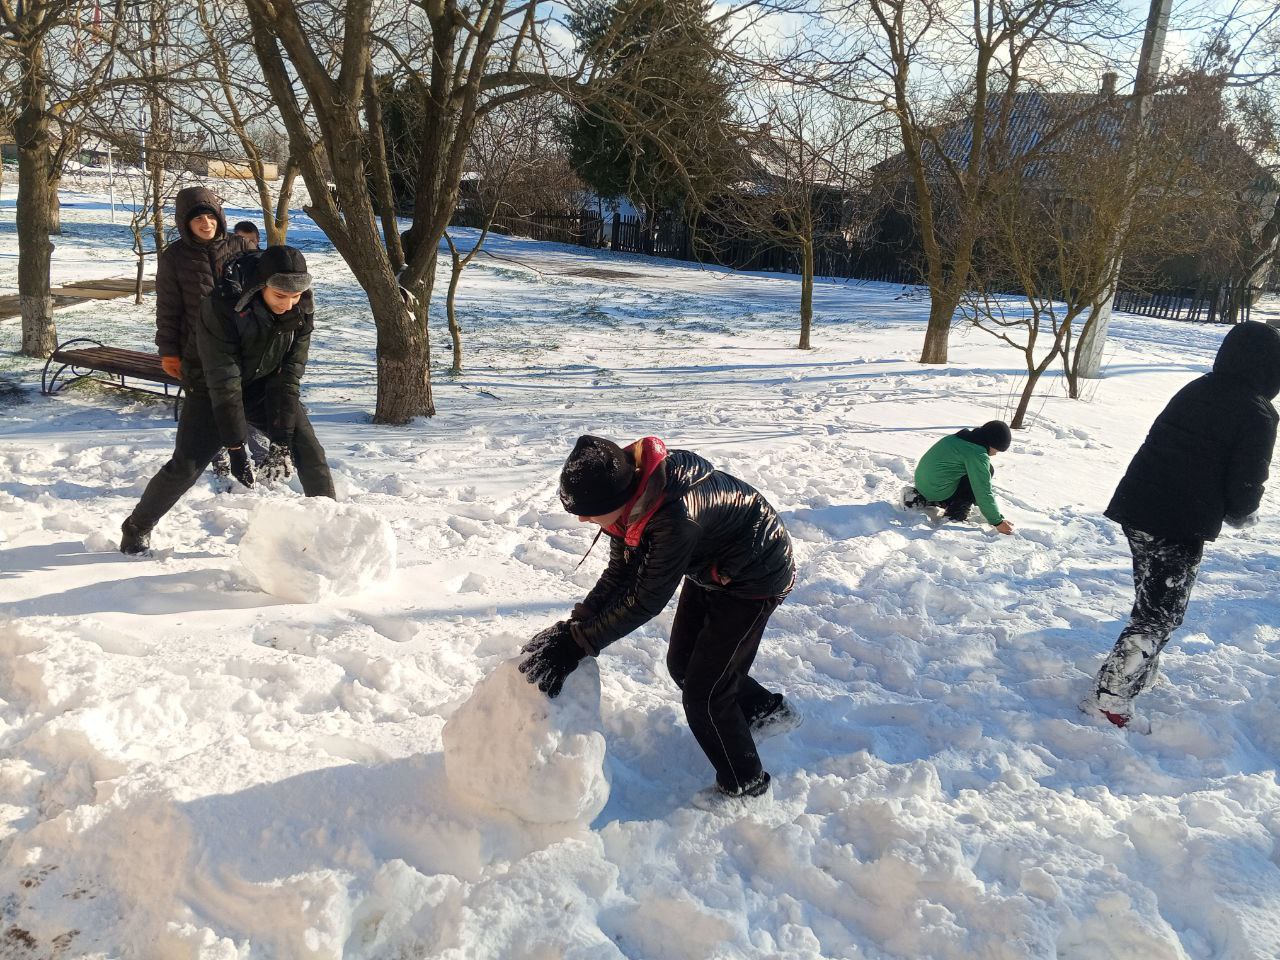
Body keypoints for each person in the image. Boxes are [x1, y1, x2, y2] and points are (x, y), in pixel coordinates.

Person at [518, 435, 798, 807]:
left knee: (705, 695)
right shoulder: (631, 496)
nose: (583, 519)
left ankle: (746, 784)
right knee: (682, 665)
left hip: (754, 578)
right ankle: (765, 711)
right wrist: (577, 624)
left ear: (612, 500)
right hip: (714, 568)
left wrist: (579, 643)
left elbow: (644, 600)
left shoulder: (674, 518)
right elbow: (621, 572)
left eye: (586, 511)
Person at [1083, 321, 1280, 729]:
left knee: (1151, 599)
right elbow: (1248, 477)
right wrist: (1243, 511)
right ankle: (1111, 696)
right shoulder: (1258, 411)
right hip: (1178, 520)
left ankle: (1139, 667)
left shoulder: (1197, 387)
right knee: (1162, 613)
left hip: (1137, 507)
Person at [120, 246, 336, 554]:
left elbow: (289, 375)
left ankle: (330, 532)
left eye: (295, 297)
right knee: (188, 465)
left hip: (265, 387)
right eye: (279, 296)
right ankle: (137, 526)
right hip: (211, 388)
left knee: (309, 449)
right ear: (261, 286)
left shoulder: (302, 310)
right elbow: (225, 381)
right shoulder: (221, 306)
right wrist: (236, 446)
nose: (288, 305)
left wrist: (282, 439)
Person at [156, 187, 254, 483]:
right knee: (208, 408)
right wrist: (168, 351)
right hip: (197, 348)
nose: (206, 223)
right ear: (185, 223)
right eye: (197, 218)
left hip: (243, 343)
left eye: (210, 216)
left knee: (245, 403)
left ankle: (254, 457)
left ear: (219, 217)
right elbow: (168, 308)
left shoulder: (241, 246)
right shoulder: (174, 257)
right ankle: (219, 458)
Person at [902, 420, 1015, 534]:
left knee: (973, 471)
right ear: (991, 442)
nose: (996, 453)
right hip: (939, 491)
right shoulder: (977, 454)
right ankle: (955, 514)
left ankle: (919, 498)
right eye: (997, 449)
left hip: (923, 484)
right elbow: (982, 490)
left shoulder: (956, 438)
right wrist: (997, 522)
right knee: (985, 472)